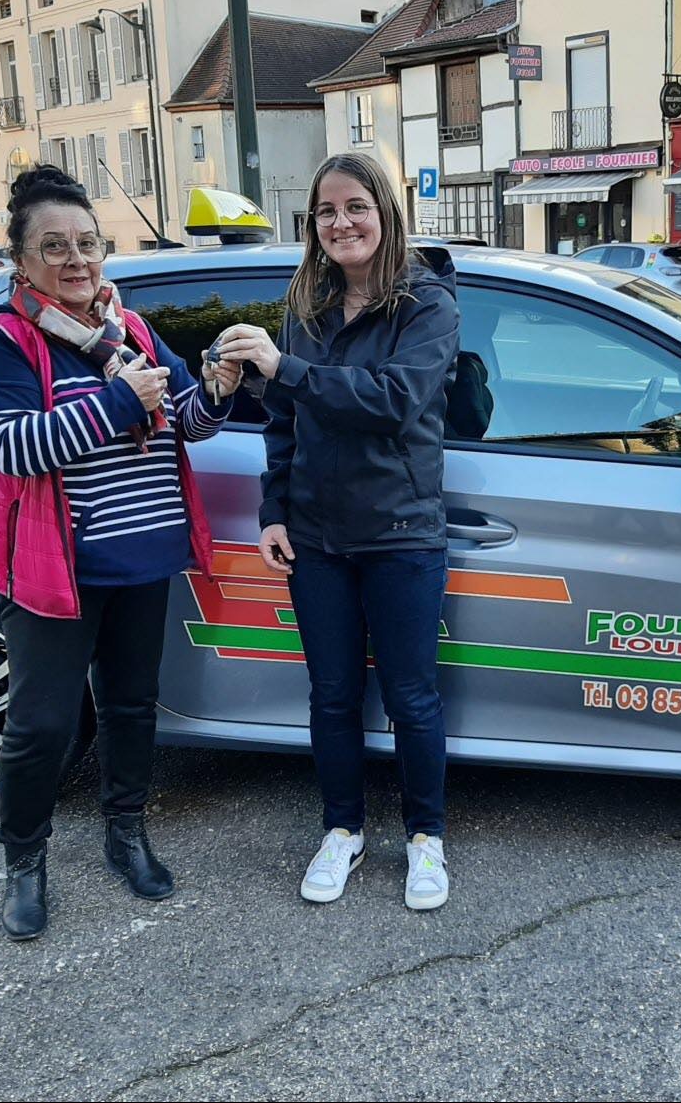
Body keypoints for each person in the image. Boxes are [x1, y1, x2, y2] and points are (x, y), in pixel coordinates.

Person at [0, 164, 242, 940]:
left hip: (142, 560)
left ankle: (126, 833)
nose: (77, 260)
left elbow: (185, 419)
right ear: (21, 259)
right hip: (56, 571)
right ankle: (24, 860)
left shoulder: (131, 330)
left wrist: (214, 388)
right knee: (41, 726)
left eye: (88, 242)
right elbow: (8, 447)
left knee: (129, 708)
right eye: (55, 247)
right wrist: (122, 402)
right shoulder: (3, 341)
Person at [214, 153, 460, 910]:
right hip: (317, 537)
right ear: (312, 225)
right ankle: (342, 831)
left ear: (385, 211)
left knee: (412, 697)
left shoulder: (427, 304)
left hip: (400, 532)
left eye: (356, 206)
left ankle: (425, 839)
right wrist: (274, 508)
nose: (341, 222)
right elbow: (283, 424)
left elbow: (393, 399)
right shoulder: (307, 306)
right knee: (331, 696)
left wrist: (284, 367)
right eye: (326, 211)